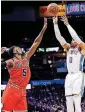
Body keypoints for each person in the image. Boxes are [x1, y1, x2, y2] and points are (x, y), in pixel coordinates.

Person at [1, 18, 47, 112]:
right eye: (18, 48)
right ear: (14, 52)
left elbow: (36, 42)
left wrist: (44, 29)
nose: (20, 48)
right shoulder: (11, 61)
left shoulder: (26, 57)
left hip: (22, 91)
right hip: (12, 90)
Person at [52, 16, 85, 112]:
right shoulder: (68, 48)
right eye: (72, 39)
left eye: (74, 40)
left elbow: (75, 37)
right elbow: (59, 37)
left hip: (78, 74)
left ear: (78, 42)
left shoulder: (82, 49)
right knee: (68, 98)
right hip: (69, 75)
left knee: (76, 98)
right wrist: (55, 24)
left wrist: (67, 24)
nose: (72, 40)